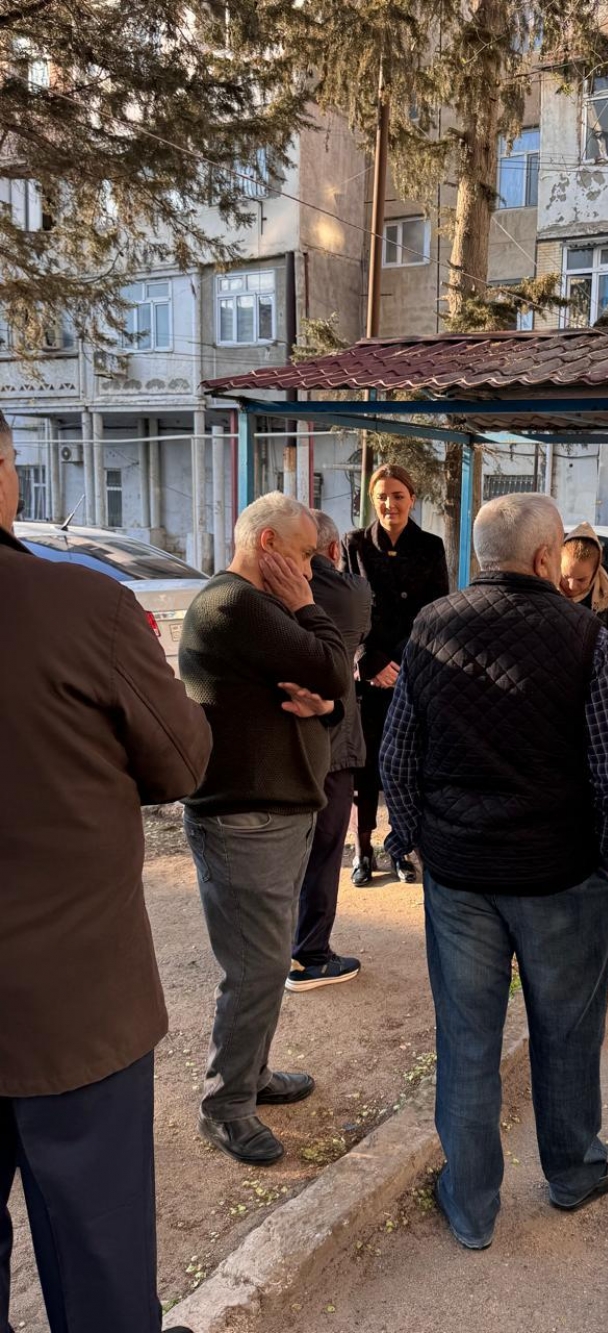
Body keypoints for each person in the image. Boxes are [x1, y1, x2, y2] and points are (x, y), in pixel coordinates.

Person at [381, 492, 608, 1250]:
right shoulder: (584, 635)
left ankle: (471, 1206)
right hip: (562, 875)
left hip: (460, 873)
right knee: (567, 1033)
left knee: (467, 1040)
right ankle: (573, 1171)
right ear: (543, 557)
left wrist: (412, 838)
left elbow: (397, 752)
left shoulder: (431, 624)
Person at [0, 410, 211, 1333]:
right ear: (4, 475)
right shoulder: (84, 607)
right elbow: (183, 760)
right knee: (100, 1273)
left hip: (68, 1012)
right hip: (73, 1011)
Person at [179, 492, 352, 1166]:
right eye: (304, 555)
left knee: (268, 961)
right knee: (256, 968)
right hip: (243, 820)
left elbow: (329, 693)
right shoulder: (236, 604)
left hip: (274, 814)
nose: (310, 570)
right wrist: (308, 607)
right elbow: (334, 666)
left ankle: (250, 1074)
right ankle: (225, 1104)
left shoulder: (260, 609)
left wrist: (324, 704)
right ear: (269, 544)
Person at [344, 463, 449, 886]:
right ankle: (362, 848)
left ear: (412, 498)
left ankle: (401, 846)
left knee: (406, 765)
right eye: (382, 497)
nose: (390, 504)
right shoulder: (354, 544)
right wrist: (368, 660)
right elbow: (345, 608)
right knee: (364, 767)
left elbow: (435, 612)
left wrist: (401, 663)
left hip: (410, 672)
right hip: (367, 676)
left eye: (398, 496)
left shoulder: (431, 546)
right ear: (373, 500)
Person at [286, 510, 372, 992]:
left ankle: (279, 947)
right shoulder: (353, 592)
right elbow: (360, 637)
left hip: (283, 739)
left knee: (284, 849)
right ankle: (310, 954)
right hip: (336, 740)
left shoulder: (263, 592)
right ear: (334, 549)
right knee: (324, 851)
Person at [560, 521, 608, 671]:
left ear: (595, 571)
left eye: (581, 579)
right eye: (565, 576)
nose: (571, 586)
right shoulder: (544, 589)